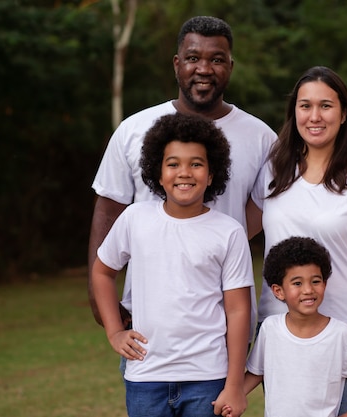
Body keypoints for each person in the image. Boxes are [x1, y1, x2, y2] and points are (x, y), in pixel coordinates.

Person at [87, 16, 275, 345]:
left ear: (230, 65)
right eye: (193, 58)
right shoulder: (135, 129)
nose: (204, 68)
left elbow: (276, 206)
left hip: (224, 320)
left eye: (216, 59)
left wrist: (215, 241)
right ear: (177, 64)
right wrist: (96, 289)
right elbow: (108, 209)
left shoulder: (260, 138)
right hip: (148, 319)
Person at [247, 66, 347, 415]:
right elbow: (235, 234)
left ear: (344, 113)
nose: (314, 116)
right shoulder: (272, 171)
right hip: (282, 329)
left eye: (326, 106)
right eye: (305, 106)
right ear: (294, 113)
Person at [92, 112, 252, 417]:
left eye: (196, 163)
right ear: (158, 171)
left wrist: (234, 384)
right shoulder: (135, 219)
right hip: (145, 375)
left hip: (208, 378)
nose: (185, 173)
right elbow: (101, 271)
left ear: (212, 173)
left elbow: (237, 310)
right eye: (173, 164)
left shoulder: (228, 232)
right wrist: (114, 332)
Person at [217, 236, 347, 417]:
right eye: (297, 283)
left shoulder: (342, 335)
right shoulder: (270, 329)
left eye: (315, 281)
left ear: (325, 284)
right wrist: (233, 396)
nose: (308, 290)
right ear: (278, 291)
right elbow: (256, 373)